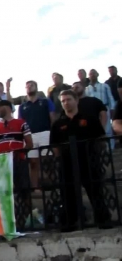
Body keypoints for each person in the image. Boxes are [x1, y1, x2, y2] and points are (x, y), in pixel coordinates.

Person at [50, 90, 109, 230]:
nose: (66, 103)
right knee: (68, 193)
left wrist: (95, 155)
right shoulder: (58, 124)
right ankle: (70, 223)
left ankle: (103, 220)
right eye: (63, 101)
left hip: (89, 161)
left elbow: (100, 139)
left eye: (68, 99)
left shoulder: (89, 119)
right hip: (67, 163)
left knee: (95, 191)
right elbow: (55, 146)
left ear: (76, 100)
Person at [18, 80, 56, 188]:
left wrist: (53, 133)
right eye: (27, 86)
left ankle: (53, 185)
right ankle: (35, 188)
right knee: (33, 164)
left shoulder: (45, 101)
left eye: (32, 85)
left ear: (36, 87)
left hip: (45, 132)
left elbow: (52, 117)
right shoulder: (22, 106)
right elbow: (21, 123)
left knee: (48, 161)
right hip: (30, 136)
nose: (29, 87)